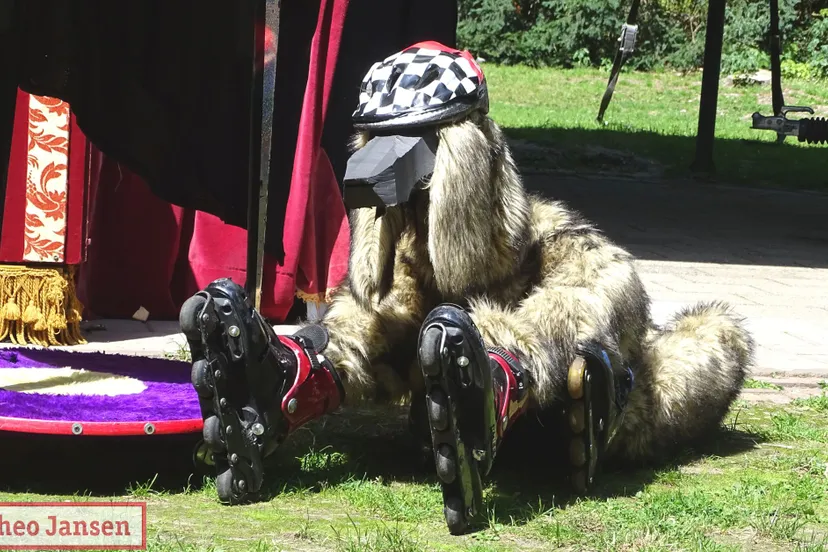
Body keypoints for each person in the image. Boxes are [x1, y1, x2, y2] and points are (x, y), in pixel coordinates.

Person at [179, 42, 754, 535]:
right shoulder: (411, 257)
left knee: (706, 336)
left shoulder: (553, 243)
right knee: (372, 323)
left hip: (596, 366)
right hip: (448, 345)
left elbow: (601, 296)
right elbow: (379, 311)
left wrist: (500, 346)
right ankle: (287, 379)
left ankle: (506, 383)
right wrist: (323, 344)